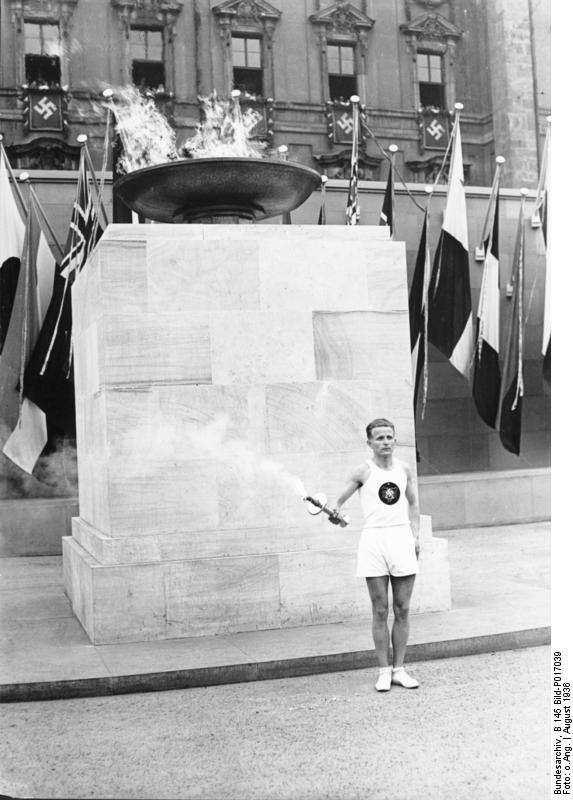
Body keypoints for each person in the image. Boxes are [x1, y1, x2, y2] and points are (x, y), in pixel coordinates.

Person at [330, 417, 421, 692]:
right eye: (379, 438)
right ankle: (383, 671)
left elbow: (414, 504)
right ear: (369, 442)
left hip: (401, 538)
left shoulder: (404, 468)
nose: (385, 442)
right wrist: (335, 514)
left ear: (395, 440)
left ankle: (399, 670)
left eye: (389, 437)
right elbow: (337, 503)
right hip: (374, 541)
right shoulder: (363, 471)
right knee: (380, 609)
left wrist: (415, 538)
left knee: (402, 609)